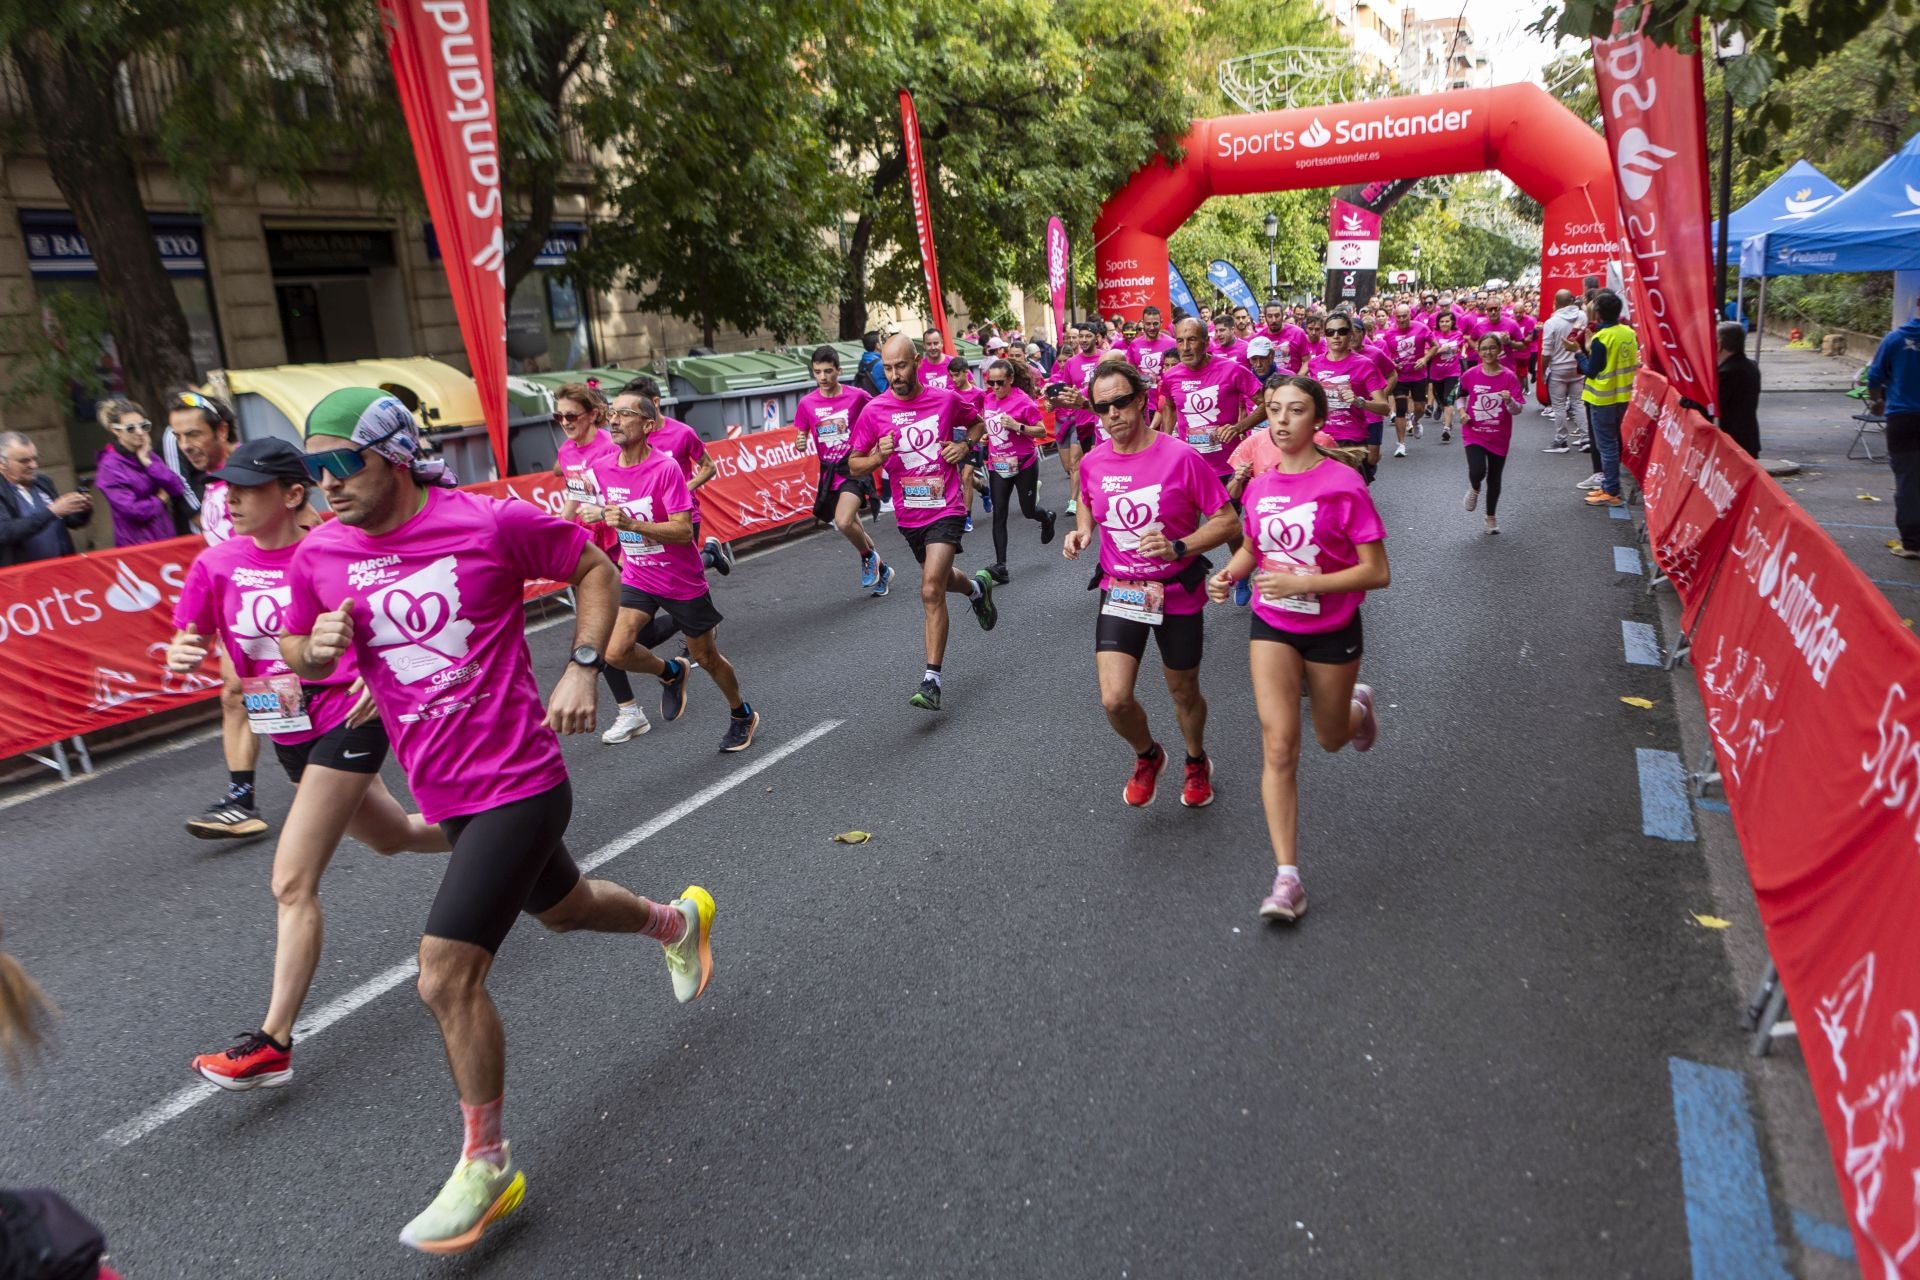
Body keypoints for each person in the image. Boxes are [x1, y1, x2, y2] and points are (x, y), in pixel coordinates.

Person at [279, 386, 717, 1254]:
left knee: (444, 976)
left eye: (341, 462)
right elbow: (297, 648)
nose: (325, 483)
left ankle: (487, 1164)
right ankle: (678, 921)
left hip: (520, 778)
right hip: (445, 788)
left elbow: (595, 568)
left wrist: (583, 665)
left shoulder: (487, 523)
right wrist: (315, 651)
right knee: (566, 909)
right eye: (313, 468)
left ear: (393, 457)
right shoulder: (319, 554)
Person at [170, 438, 451, 1090]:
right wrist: (182, 651)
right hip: (285, 727)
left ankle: (273, 1043)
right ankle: (507, 833)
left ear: (292, 494)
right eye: (227, 489)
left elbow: (399, 617)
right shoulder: (216, 563)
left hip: (348, 718)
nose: (231, 500)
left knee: (292, 881)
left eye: (248, 488)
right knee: (394, 836)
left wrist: (382, 675)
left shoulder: (336, 549)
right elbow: (192, 632)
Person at [1206, 376, 1388, 921]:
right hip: (1273, 624)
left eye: (1296, 410)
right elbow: (1253, 549)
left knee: (1330, 738)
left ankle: (1357, 709)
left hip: (1333, 626)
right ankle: (1287, 878)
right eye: (1273, 410)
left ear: (1319, 420)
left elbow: (1376, 572)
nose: (1282, 420)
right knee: (1280, 746)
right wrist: (1228, 574)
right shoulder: (1260, 486)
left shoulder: (1343, 484)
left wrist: (1304, 583)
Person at [1065, 359, 1240, 809]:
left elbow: (1227, 521)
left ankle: (1196, 760)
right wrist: (1082, 531)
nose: (1112, 414)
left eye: (1121, 402)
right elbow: (1086, 499)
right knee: (1115, 699)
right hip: (1121, 589)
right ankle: (1148, 755)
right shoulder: (1094, 461)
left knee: (1183, 691)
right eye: (1102, 407)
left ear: (1142, 400)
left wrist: (1180, 547)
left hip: (1176, 590)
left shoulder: (1181, 457)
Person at [591, 389, 760, 752]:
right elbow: (613, 512)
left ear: (648, 425)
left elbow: (683, 531)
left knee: (707, 657)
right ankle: (670, 672)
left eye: (625, 414)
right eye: (612, 413)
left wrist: (630, 524)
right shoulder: (602, 468)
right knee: (615, 652)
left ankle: (741, 713)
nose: (614, 420)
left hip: (680, 579)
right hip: (638, 575)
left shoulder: (664, 469)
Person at [847, 334, 997, 711]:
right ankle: (977, 589)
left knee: (930, 589)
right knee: (941, 580)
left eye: (901, 366)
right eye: (888, 368)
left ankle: (932, 681)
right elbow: (854, 464)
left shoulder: (944, 399)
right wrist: (876, 458)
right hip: (910, 513)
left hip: (946, 506)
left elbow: (978, 424)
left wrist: (964, 446)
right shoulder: (874, 411)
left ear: (916, 362)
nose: (894, 375)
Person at [167, 390, 272, 838]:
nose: (186, 445)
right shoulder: (210, 486)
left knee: (278, 701)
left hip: (279, 610)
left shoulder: (256, 472)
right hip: (242, 616)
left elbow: (308, 525)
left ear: (222, 430)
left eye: (193, 434)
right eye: (178, 436)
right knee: (238, 695)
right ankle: (241, 800)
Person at [796, 345, 891, 595]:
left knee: (844, 520)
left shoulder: (856, 396)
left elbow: (880, 410)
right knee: (853, 527)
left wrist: (879, 441)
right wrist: (800, 441)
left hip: (853, 467)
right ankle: (883, 570)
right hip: (829, 474)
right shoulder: (806, 403)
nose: (823, 377)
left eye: (828, 371)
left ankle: (867, 557)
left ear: (838, 371)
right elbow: (801, 433)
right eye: (818, 372)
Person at [622, 376, 733, 576]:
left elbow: (709, 467)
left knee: (685, 572)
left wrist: (683, 488)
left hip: (682, 514)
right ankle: (710, 555)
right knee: (659, 572)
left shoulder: (682, 433)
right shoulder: (633, 438)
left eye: (637, 408)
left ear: (655, 402)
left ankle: (710, 556)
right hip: (648, 516)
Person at [1154, 318, 1264, 493]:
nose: (1185, 347)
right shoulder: (1171, 376)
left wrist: (1239, 427)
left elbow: (1267, 404)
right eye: (1180, 341)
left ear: (1206, 342)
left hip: (1227, 467)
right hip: (1190, 466)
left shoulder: (1232, 370)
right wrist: (1167, 440)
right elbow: (1169, 406)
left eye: (1192, 340)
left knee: (1230, 511)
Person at [977, 358, 1057, 582]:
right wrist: (987, 437)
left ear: (1010, 379)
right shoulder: (988, 399)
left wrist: (1017, 426)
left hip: (1024, 464)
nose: (995, 387)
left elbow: (1041, 431)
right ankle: (1001, 566)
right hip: (998, 464)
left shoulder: (1023, 401)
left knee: (1028, 511)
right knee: (999, 514)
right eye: (991, 382)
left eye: (1000, 382)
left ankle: (1047, 518)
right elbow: (991, 427)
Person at [1572, 291, 1638, 509]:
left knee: (1606, 445)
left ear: (1598, 313)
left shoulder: (1602, 338)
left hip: (1603, 398)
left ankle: (1611, 491)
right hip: (1623, 396)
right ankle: (1610, 485)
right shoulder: (1628, 332)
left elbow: (1591, 370)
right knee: (1614, 443)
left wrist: (1578, 352)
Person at [94, 399, 186, 547]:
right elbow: (133, 510)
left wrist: (148, 463)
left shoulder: (148, 455)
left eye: (144, 426)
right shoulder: (109, 467)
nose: (140, 432)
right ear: (115, 430)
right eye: (130, 428)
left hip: (166, 538)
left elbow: (177, 487)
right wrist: (160, 499)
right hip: (136, 546)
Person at [1868, 295, 1920, 558]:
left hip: (1903, 418)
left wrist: (1876, 401)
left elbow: (1875, 376)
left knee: (1908, 479)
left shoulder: (1895, 339)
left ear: (1918, 302)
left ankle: (1912, 543)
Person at [1457, 334, 1525, 534]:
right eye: (1484, 348)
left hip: (1499, 435)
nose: (1488, 352)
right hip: (1474, 432)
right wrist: (1462, 412)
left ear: (1500, 350)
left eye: (1492, 348)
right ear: (1478, 351)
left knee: (1495, 477)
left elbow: (1518, 410)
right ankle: (1474, 487)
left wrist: (1509, 401)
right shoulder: (1470, 374)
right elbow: (1460, 396)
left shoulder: (1509, 377)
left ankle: (1491, 516)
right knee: (1477, 470)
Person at [0, 431, 91, 567]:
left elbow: (69, 522)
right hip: (22, 574)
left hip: (61, 570)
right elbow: (6, 532)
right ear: (2, 463)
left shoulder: (42, 482)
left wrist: (82, 509)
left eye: (34, 459)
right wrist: (51, 511)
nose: (33, 465)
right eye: (24, 461)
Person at [1539, 289, 1588, 454]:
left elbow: (1546, 352)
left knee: (1559, 405)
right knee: (1578, 403)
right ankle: (1586, 438)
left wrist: (1543, 371)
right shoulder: (1582, 316)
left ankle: (1561, 441)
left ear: (1557, 303)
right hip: (1578, 366)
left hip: (1558, 369)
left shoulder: (1551, 322)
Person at [1385, 304, 1434, 455]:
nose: (1401, 319)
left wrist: (1425, 359)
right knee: (1400, 408)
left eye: (1404, 316)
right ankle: (1401, 445)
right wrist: (1392, 363)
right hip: (1400, 377)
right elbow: (1385, 355)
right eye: (1398, 317)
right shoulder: (1389, 334)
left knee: (1420, 408)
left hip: (1418, 374)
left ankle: (1415, 420)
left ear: (1410, 315)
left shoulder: (1421, 328)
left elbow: (1435, 346)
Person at [1716, 320, 1762, 459]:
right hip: (1748, 437)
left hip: (1735, 441)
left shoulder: (1728, 372)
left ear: (1719, 345)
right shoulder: (1751, 366)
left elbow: (1711, 403)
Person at [1427, 311, 1465, 443]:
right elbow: (1427, 354)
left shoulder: (1458, 334)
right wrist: (1439, 350)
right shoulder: (1433, 335)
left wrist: (1461, 352)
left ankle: (1446, 428)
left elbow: (1461, 347)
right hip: (1436, 373)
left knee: (1449, 400)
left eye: (1447, 321)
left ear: (1452, 322)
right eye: (1441, 321)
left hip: (1453, 372)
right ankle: (1448, 415)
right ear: (1438, 323)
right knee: (1441, 400)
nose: (1444, 324)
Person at [1127, 306, 1178, 388]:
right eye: (1148, 324)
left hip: (1165, 392)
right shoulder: (1134, 344)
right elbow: (1130, 372)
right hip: (1142, 393)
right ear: (1143, 323)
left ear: (1161, 322)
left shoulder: (1173, 343)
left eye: (1155, 323)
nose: (1152, 327)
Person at [856, 330, 888, 395]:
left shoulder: (863, 361)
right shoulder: (881, 364)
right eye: (882, 341)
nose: (885, 343)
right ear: (877, 346)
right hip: (884, 397)